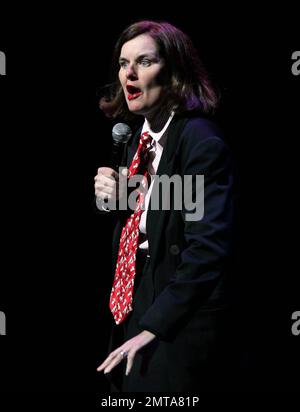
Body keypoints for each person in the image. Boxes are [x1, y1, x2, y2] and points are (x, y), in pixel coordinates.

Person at [95, 20, 237, 392]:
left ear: (173, 72)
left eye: (144, 62)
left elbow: (207, 249)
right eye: (124, 63)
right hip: (133, 297)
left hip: (179, 307)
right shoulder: (135, 139)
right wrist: (114, 198)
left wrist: (154, 325)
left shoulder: (199, 141)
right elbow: (151, 213)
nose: (129, 73)